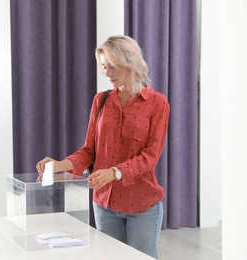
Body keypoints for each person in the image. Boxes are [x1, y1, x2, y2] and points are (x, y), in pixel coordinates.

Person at [36, 35, 170, 259]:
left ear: (131, 63)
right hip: (104, 204)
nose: (107, 74)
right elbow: (89, 150)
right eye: (105, 67)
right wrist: (60, 164)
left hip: (142, 205)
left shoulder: (157, 103)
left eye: (113, 67)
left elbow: (150, 156)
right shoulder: (101, 100)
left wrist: (115, 172)